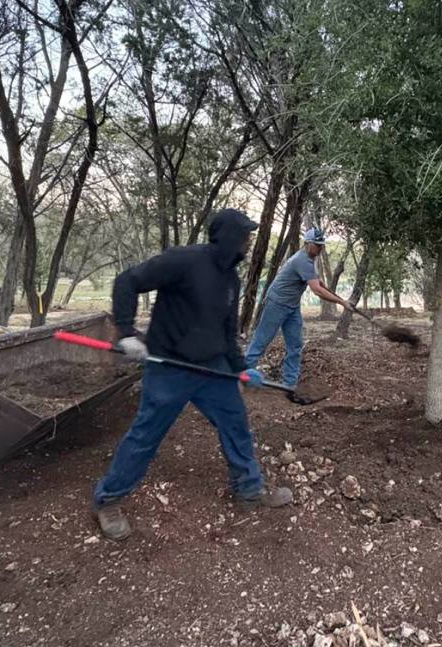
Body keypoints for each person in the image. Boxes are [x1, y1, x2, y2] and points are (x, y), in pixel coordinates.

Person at [91, 209, 292, 540]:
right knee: (145, 435)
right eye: (245, 235)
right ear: (227, 236)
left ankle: (248, 489)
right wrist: (125, 331)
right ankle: (107, 500)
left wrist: (242, 369)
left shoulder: (231, 279)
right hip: (170, 366)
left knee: (235, 423)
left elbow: (228, 331)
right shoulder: (183, 260)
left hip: (213, 368)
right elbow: (127, 280)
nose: (248, 242)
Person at [244, 227, 351, 390]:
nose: (319, 248)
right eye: (317, 245)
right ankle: (242, 376)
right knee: (261, 340)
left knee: (295, 344)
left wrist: (322, 284)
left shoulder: (310, 259)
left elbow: (317, 283)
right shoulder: (302, 260)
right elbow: (317, 290)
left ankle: (289, 384)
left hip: (292, 306)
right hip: (277, 304)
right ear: (307, 244)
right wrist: (342, 302)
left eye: (321, 245)